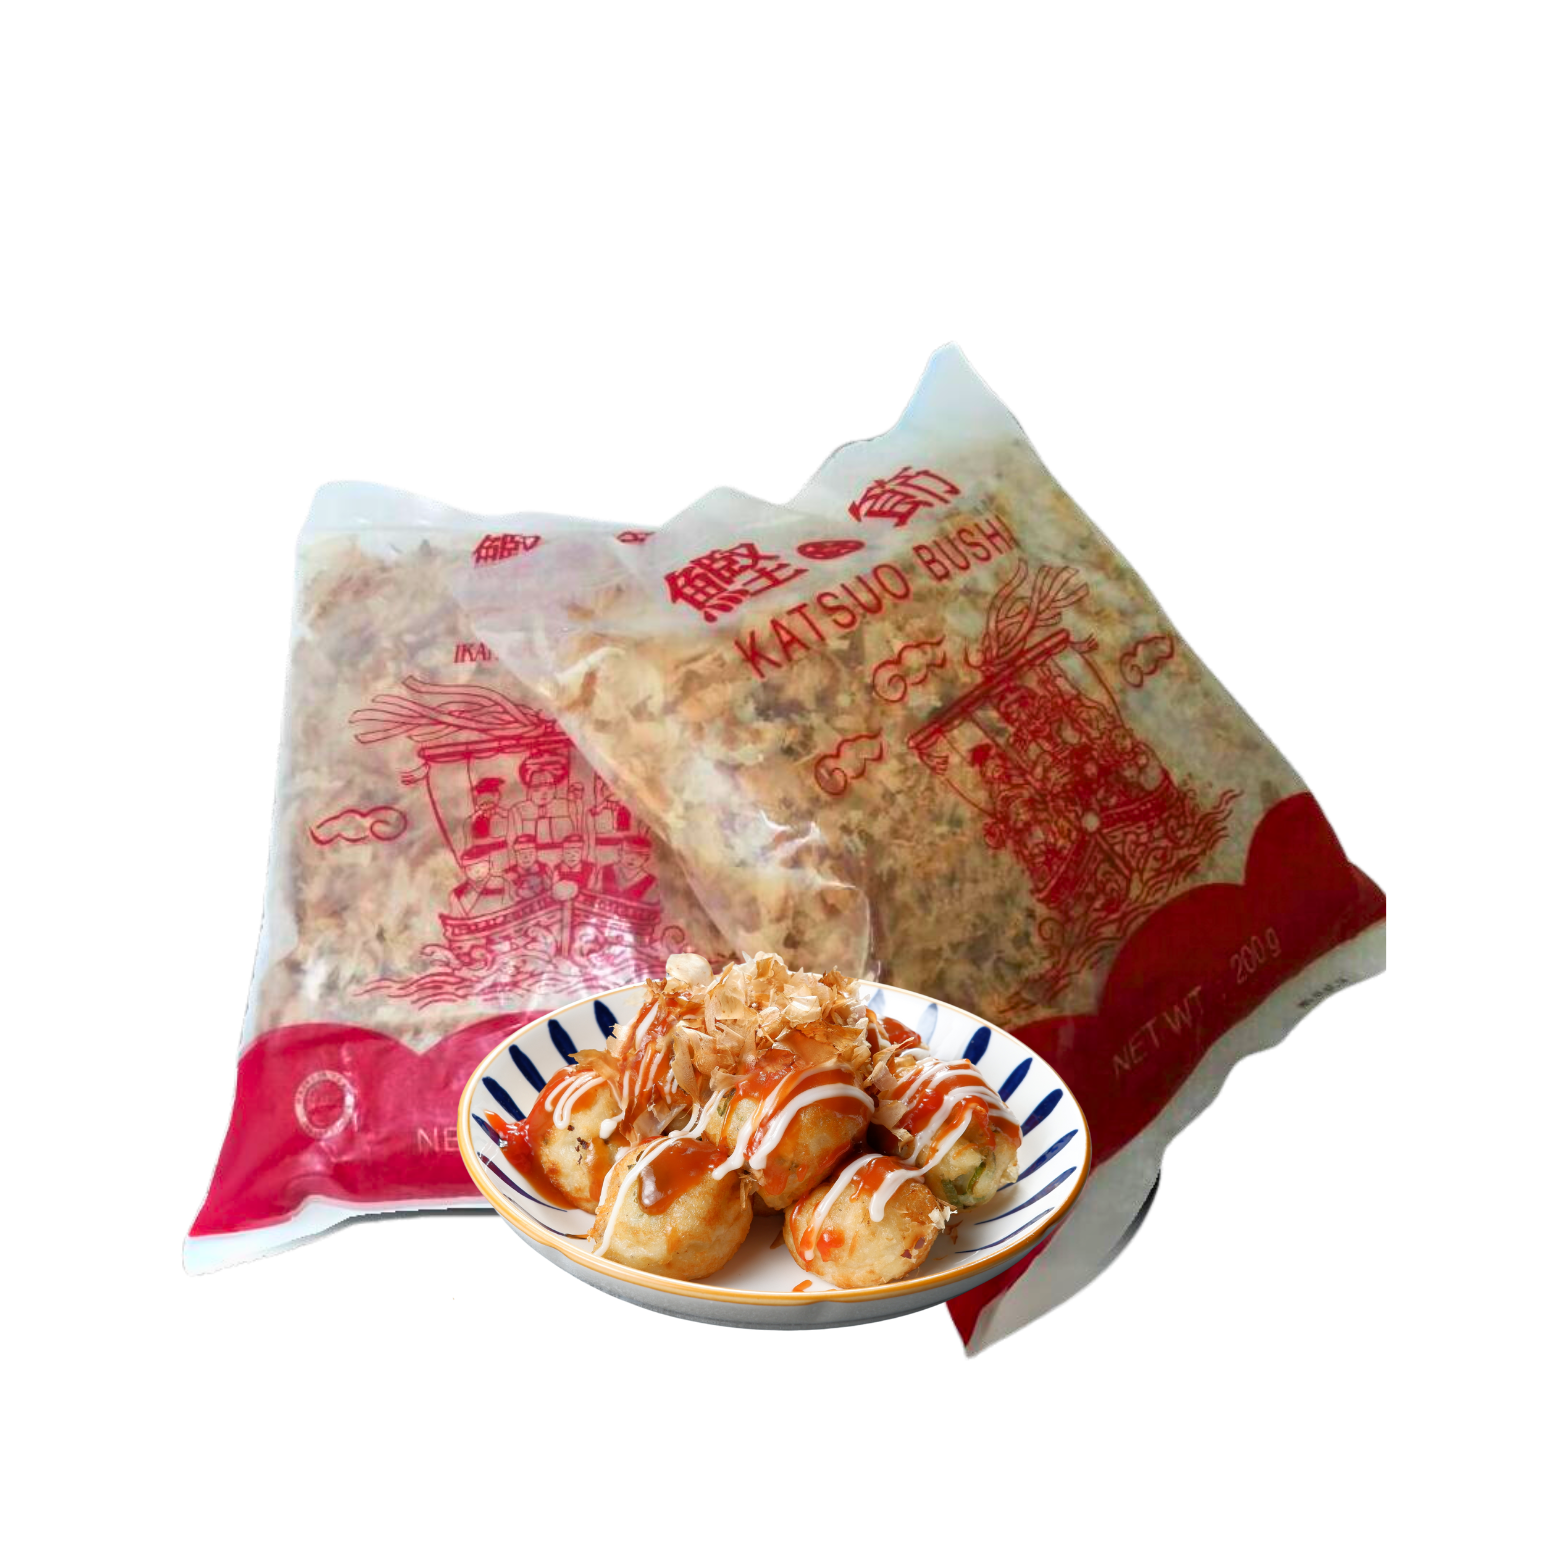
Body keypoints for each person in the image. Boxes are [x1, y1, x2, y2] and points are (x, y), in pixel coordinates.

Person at [449, 847, 516, 918]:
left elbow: (512, 905)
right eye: (470, 869)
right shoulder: (457, 894)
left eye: (482, 866)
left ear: (490, 865)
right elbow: (456, 916)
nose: (477, 872)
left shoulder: (503, 883)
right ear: (464, 871)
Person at [598, 835, 659, 903]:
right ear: (620, 852)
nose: (632, 858)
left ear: (646, 859)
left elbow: (647, 905)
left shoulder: (651, 881)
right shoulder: (605, 870)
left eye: (640, 855)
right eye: (628, 852)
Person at [507, 834, 552, 900]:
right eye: (521, 854)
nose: (526, 857)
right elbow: (510, 898)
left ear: (536, 853)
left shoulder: (544, 869)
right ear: (515, 855)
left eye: (530, 853)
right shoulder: (509, 874)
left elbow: (552, 891)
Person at [468, 776, 507, 852]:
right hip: (483, 848)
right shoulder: (477, 818)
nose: (488, 807)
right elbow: (476, 840)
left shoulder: (501, 814)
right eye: (484, 804)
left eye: (490, 803)